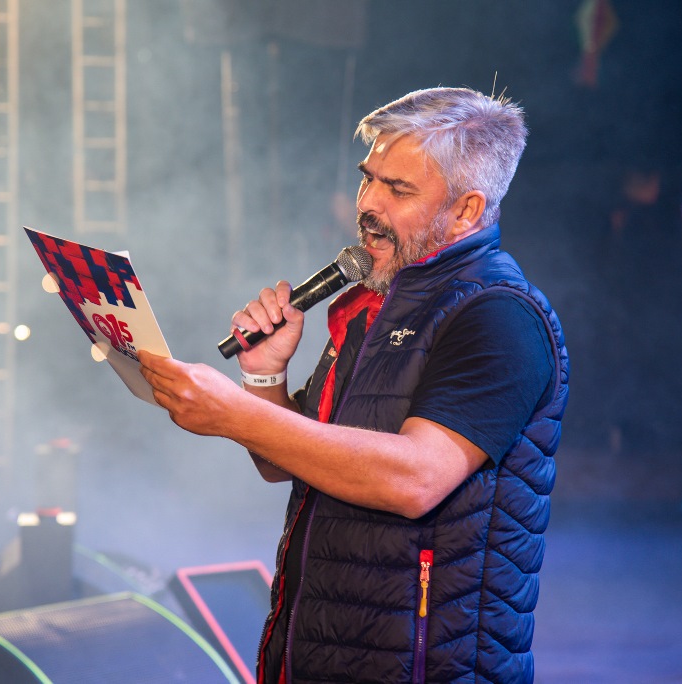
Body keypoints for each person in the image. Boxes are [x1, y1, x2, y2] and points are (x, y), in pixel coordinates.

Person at [139, 87, 568, 684]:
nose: (368, 204)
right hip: (323, 648)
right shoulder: (372, 304)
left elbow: (416, 479)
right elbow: (287, 460)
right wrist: (264, 376)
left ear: (467, 210)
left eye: (399, 190)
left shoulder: (499, 315)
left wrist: (233, 413)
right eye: (368, 179)